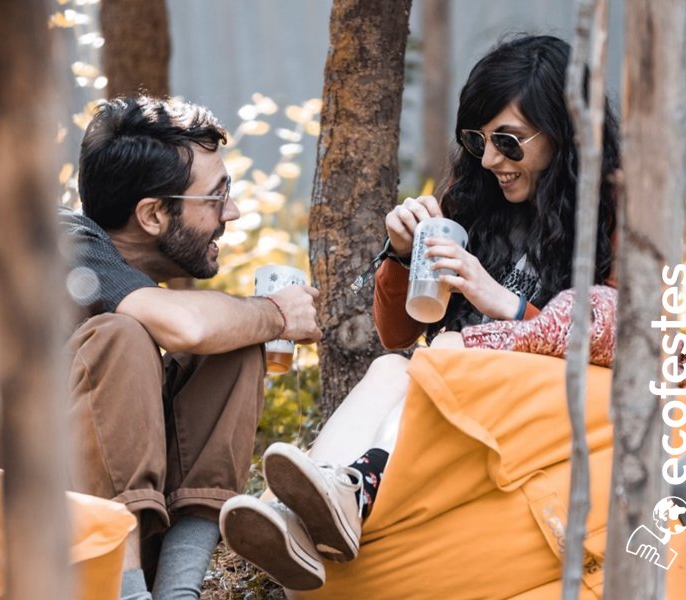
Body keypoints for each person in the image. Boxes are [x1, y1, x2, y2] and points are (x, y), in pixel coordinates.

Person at [219, 34, 621, 592]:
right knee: (393, 367)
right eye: (476, 139)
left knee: (446, 352)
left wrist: (495, 298)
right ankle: (306, 515)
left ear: (565, 130)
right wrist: (402, 258)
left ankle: (346, 492)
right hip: (450, 386)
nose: (488, 159)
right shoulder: (472, 193)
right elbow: (396, 333)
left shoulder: (614, 215)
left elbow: (612, 337)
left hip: (541, 404)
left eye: (508, 141)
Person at [0, 96, 322, 600]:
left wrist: (258, 323)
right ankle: (129, 592)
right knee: (123, 335)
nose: (234, 211)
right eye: (216, 196)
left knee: (234, 344)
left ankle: (179, 591)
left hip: (65, 508)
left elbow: (200, 333)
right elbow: (183, 326)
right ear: (154, 215)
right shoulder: (53, 238)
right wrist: (276, 312)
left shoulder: (123, 281)